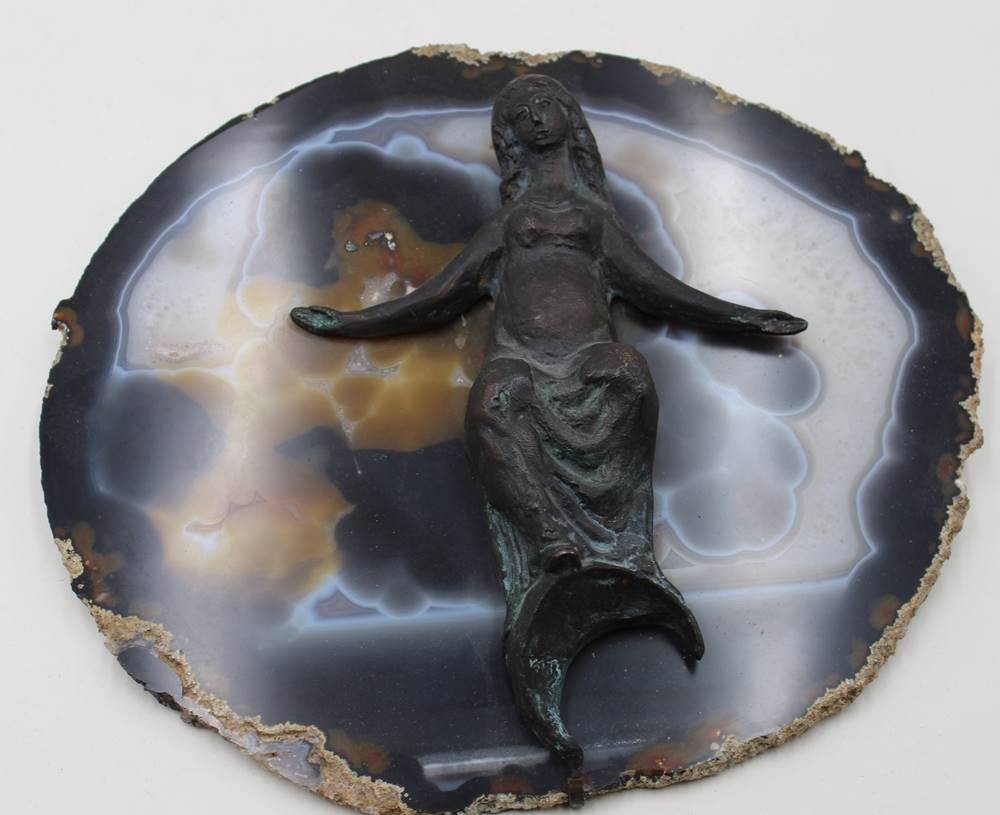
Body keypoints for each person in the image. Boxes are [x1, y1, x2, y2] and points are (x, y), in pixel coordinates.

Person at [292, 73, 806, 793]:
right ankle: (550, 541)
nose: (537, 118)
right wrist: (348, 323)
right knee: (494, 401)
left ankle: (623, 553)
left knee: (629, 374)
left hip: (588, 355)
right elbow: (440, 295)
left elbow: (660, 290)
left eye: (548, 107)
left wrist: (746, 319)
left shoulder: (595, 222)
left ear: (569, 123)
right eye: (522, 113)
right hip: (523, 362)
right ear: (510, 137)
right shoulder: (509, 225)